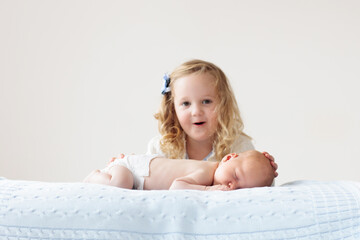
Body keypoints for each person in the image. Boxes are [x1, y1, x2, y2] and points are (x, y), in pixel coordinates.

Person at [146, 59, 278, 176]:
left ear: (223, 104)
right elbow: (143, 183)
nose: (196, 112)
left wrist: (266, 172)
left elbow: (259, 189)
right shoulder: (160, 148)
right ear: (173, 109)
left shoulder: (240, 148)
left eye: (206, 101)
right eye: (186, 103)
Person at [83, 150, 275, 191]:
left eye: (240, 188)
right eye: (235, 177)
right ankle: (95, 176)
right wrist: (208, 191)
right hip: (133, 169)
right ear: (227, 158)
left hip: (139, 180)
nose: (232, 186)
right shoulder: (206, 172)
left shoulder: (218, 173)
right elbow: (177, 186)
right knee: (120, 183)